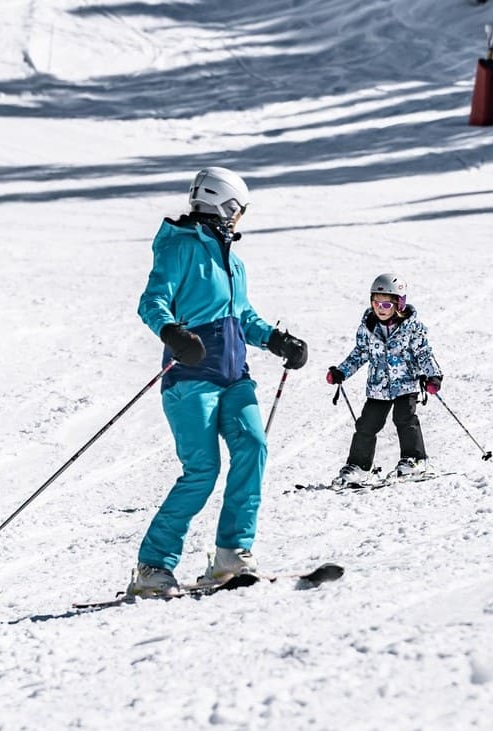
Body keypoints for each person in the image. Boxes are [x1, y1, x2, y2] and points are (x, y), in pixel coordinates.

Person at [128, 167, 307, 597]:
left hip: (234, 376)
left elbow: (242, 317)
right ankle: (152, 566)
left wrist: (278, 340)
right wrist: (172, 333)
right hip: (191, 377)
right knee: (202, 471)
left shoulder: (233, 260)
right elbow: (152, 301)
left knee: (253, 446)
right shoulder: (179, 249)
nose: (239, 218)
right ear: (226, 205)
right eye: (239, 210)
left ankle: (232, 555)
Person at [325, 273, 442, 486]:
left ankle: (415, 460)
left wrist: (433, 375)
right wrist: (341, 371)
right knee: (366, 425)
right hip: (378, 387)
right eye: (376, 303)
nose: (380, 308)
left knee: (404, 419)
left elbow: (424, 353)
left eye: (386, 304)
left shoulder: (411, 328)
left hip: (406, 384)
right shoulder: (369, 327)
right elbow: (359, 353)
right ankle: (360, 467)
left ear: (400, 303)